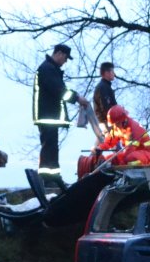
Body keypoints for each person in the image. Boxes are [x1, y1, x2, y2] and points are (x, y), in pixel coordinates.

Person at [33, 43, 88, 186]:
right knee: (49, 147)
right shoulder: (48, 69)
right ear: (59, 54)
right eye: (65, 58)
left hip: (49, 116)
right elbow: (60, 90)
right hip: (48, 116)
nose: (65, 62)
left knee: (51, 147)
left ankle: (54, 178)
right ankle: (50, 180)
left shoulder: (50, 69)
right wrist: (77, 98)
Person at [92, 62, 118, 128]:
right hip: (107, 124)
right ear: (106, 73)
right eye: (112, 71)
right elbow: (106, 108)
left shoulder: (105, 86)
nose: (114, 74)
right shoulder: (103, 87)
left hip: (107, 123)